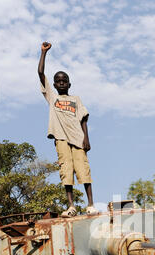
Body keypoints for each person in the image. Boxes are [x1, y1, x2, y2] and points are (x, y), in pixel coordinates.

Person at [38, 41, 99, 217]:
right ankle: (71, 206)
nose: (61, 82)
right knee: (66, 171)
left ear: (69, 84)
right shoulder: (52, 98)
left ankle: (90, 204)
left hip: (78, 139)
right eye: (58, 81)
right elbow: (41, 73)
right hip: (61, 138)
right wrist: (43, 53)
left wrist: (87, 139)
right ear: (55, 85)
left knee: (83, 170)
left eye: (64, 80)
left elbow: (84, 120)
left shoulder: (76, 99)